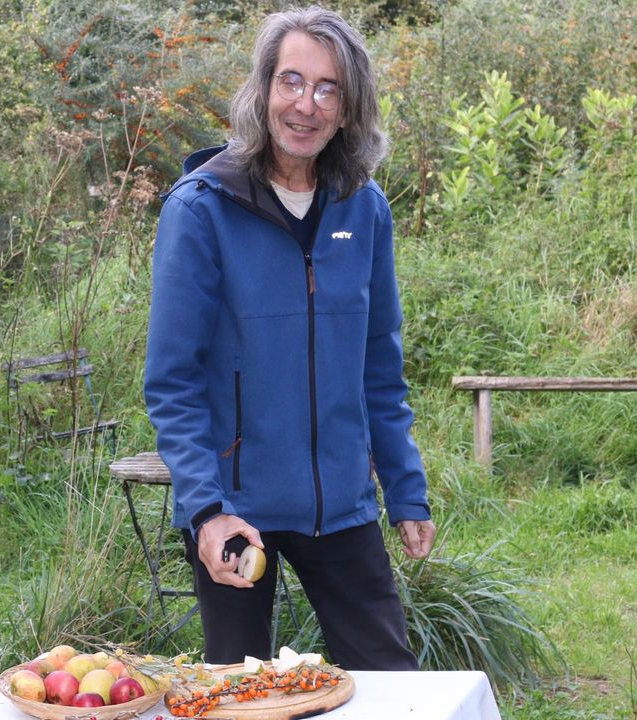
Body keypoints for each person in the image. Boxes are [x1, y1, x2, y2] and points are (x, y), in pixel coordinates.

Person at [143, 6, 436, 670]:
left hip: (343, 504)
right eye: (292, 81)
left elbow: (379, 367)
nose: (306, 104)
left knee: (395, 689)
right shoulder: (199, 211)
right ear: (263, 89)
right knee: (240, 693)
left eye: (328, 88)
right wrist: (206, 508)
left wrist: (405, 487)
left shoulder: (365, 210)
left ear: (348, 108)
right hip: (236, 510)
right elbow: (173, 382)